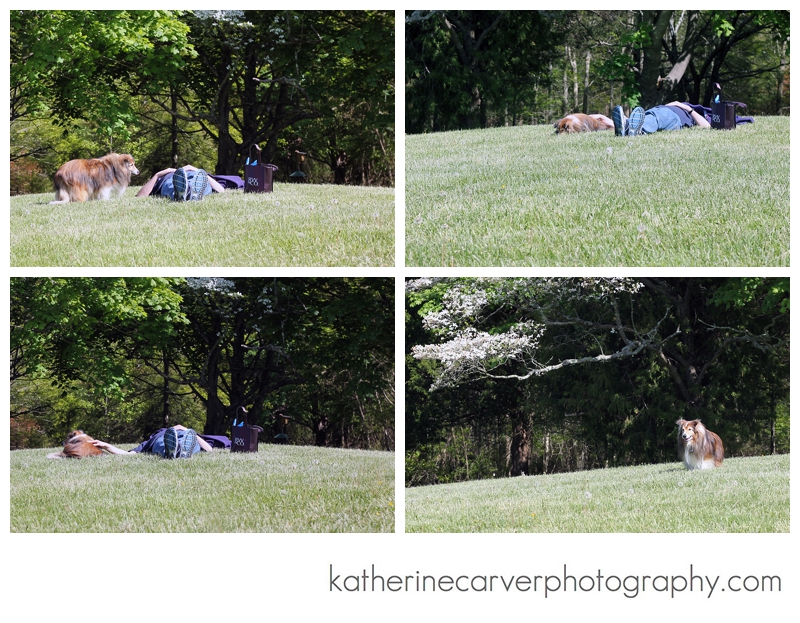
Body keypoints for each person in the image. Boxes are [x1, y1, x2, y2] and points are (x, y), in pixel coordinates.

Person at [91, 425, 214, 459]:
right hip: (163, 440)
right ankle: (175, 450)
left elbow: (209, 449)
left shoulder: (189, 435)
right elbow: (129, 454)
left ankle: (178, 450)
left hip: (186, 437)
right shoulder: (154, 438)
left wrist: (186, 430)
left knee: (191, 442)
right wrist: (106, 446)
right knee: (162, 444)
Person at [612, 101, 710, 137]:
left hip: (675, 116)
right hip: (661, 109)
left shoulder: (711, 115)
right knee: (651, 116)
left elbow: (707, 126)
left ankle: (630, 127)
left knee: (657, 118)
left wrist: (687, 108)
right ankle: (628, 126)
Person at [136, 165, 226, 201]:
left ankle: (187, 192)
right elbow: (140, 195)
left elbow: (221, 190)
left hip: (195, 176)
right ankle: (188, 193)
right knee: (173, 185)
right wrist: (158, 174)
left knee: (200, 183)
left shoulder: (199, 175)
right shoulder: (169, 174)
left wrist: (195, 170)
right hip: (172, 178)